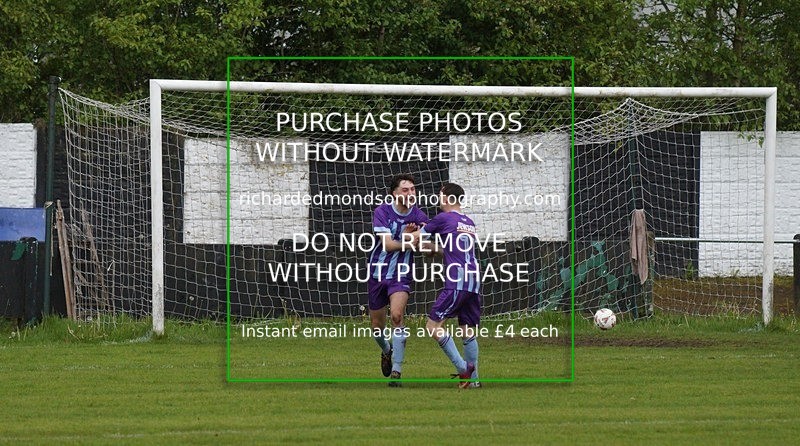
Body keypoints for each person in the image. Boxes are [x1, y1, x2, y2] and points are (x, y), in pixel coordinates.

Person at [413, 182, 481, 389]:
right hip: (473, 281)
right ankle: (475, 381)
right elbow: (449, 250)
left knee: (433, 326)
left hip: (457, 282)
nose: (438, 199)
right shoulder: (468, 222)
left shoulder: (443, 218)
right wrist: (432, 248)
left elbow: (414, 238)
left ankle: (463, 370)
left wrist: (411, 231)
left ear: (446, 198)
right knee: (467, 330)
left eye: (439, 195)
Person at [366, 174, 429, 387]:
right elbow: (387, 245)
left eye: (413, 189)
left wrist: (428, 245)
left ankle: (397, 372)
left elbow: (425, 247)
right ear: (394, 193)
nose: (411, 193)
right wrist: (409, 238)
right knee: (376, 327)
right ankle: (386, 350)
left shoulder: (421, 216)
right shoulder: (382, 211)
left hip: (401, 273)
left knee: (397, 315)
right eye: (405, 190)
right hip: (377, 273)